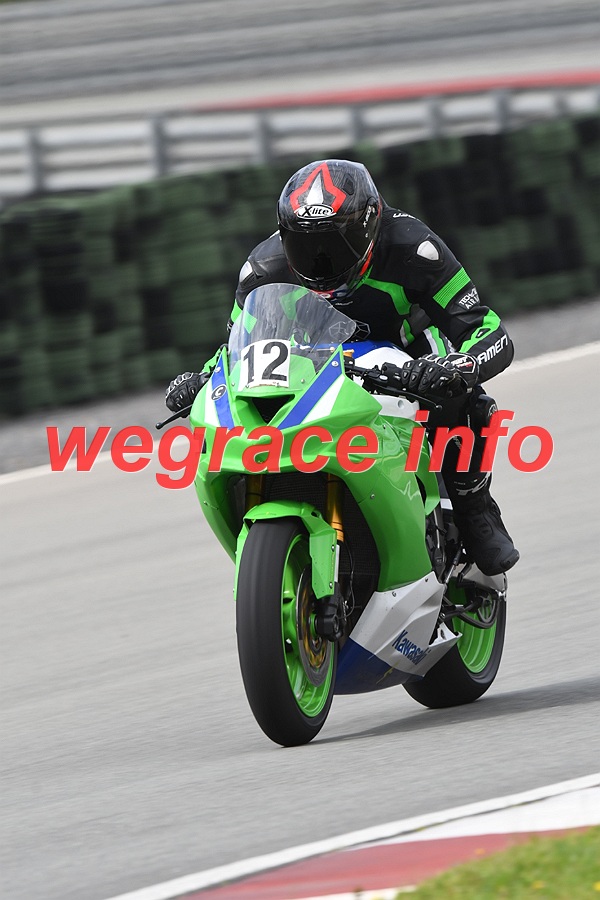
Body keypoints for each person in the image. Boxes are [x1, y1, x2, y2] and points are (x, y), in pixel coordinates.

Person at [166, 158, 519, 576]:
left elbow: (485, 328)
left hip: (409, 353)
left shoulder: (414, 249)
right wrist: (205, 378)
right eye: (304, 246)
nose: (320, 262)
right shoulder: (263, 269)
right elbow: (236, 347)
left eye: (335, 245)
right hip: (315, 358)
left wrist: (458, 366)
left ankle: (474, 508)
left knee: (463, 403)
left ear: (369, 228)